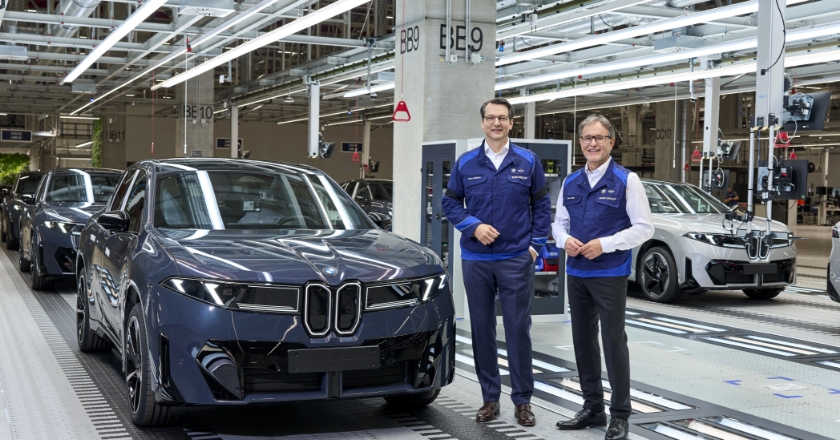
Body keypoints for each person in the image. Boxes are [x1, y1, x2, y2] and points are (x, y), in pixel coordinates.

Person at [442, 98, 551, 427]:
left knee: (519, 330)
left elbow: (542, 208)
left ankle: (522, 401)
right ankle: (490, 398)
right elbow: (450, 204)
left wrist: (534, 248)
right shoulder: (466, 164)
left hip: (515, 258)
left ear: (511, 123)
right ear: (482, 123)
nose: (496, 123)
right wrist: (472, 226)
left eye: (502, 118)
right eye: (490, 118)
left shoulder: (529, 162)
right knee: (482, 330)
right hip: (476, 259)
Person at [552, 114, 654, 440]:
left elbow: (643, 228)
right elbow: (558, 224)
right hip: (577, 272)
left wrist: (605, 244)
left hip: (610, 273)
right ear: (580, 143)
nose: (592, 143)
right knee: (583, 342)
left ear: (611, 142)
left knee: (613, 344)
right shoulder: (570, 182)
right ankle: (592, 407)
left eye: (599, 138)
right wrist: (563, 240)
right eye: (586, 138)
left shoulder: (627, 180)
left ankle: (620, 415)